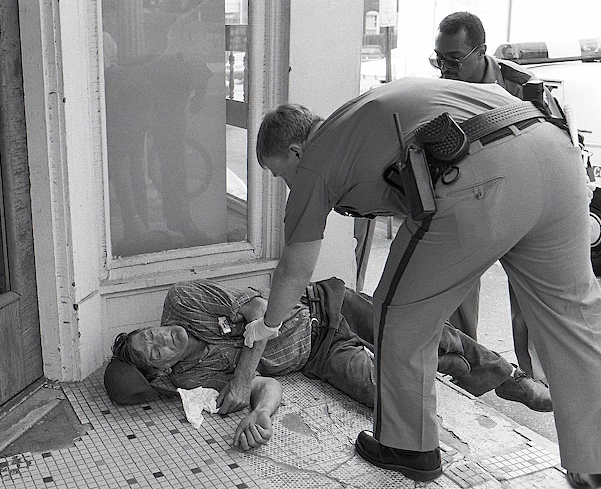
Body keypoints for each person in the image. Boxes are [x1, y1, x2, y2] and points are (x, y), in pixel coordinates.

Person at [252, 77, 601, 484]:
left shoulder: (315, 159)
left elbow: (295, 268)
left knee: (397, 315)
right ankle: (593, 462)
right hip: (555, 151)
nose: (286, 185)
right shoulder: (353, 120)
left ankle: (408, 446)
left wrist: (267, 327)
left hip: (482, 175)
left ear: (295, 151)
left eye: (279, 174)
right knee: (572, 317)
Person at [106, 277, 550, 450]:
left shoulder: (183, 300)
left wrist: (240, 379)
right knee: (383, 393)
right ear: (161, 373)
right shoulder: (191, 378)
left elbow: (260, 311)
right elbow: (266, 387)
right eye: (155, 351)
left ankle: (508, 379)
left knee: (415, 331)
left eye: (149, 333)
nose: (163, 338)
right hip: (318, 355)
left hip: (327, 305)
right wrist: (260, 414)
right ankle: (448, 364)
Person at [431, 11, 556, 389]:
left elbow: (556, 146)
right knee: (456, 290)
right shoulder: (441, 91)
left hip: (523, 201)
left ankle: (538, 381)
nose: (446, 68)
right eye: (439, 58)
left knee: (530, 296)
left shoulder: (524, 87)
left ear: (481, 51)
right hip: (472, 201)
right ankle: (464, 370)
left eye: (454, 59)